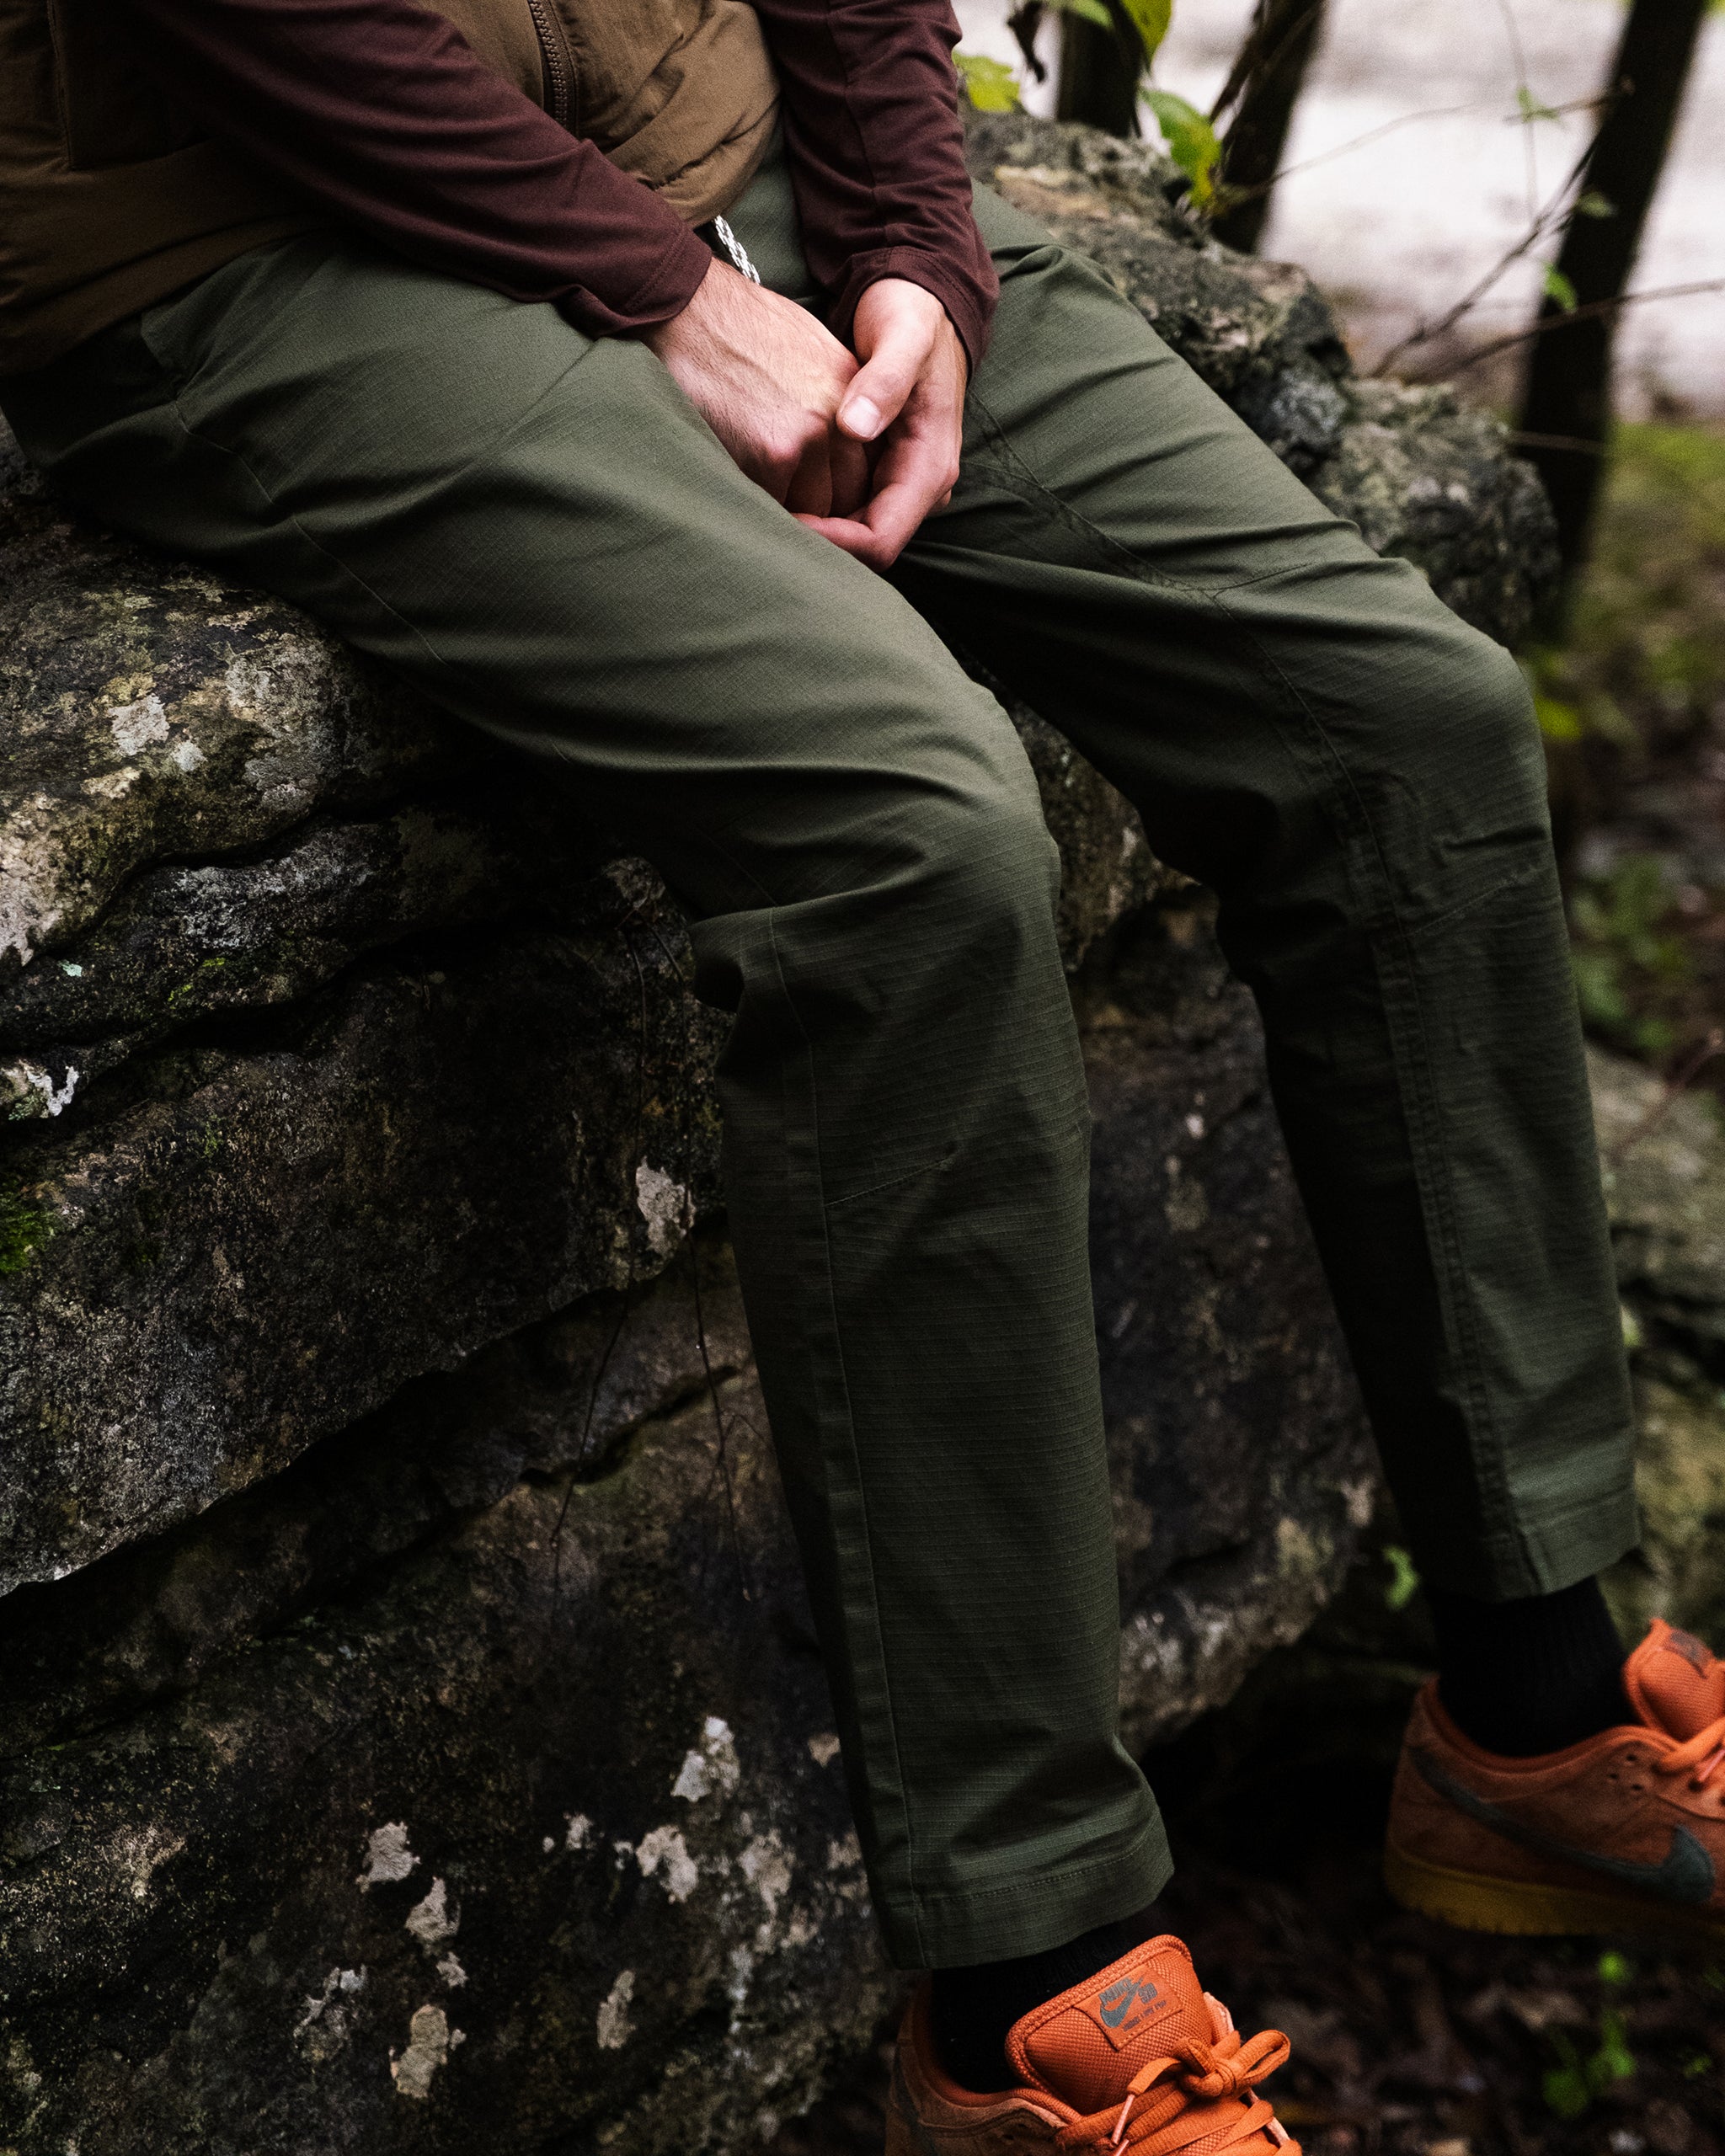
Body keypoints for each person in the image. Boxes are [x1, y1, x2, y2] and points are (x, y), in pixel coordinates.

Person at [3, 1, 1720, 2147]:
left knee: (1399, 717)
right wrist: (661, 301)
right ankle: (1033, 1994)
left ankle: (1542, 1713)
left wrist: (913, 233)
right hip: (252, 224)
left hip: (712, 144)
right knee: (912, 835)